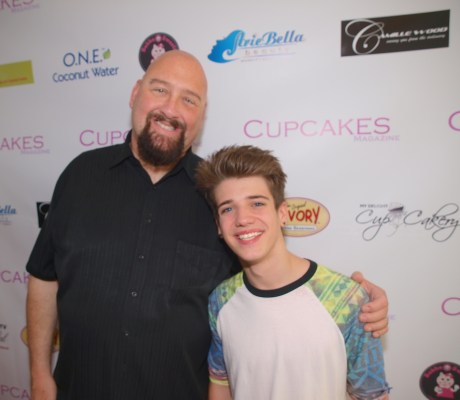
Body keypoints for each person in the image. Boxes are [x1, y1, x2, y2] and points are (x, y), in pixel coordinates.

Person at [25, 50, 388, 400]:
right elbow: (44, 276)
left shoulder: (217, 196)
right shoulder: (80, 175)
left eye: (189, 100)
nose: (171, 109)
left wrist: (354, 307)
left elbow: (267, 283)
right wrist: (39, 373)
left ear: (201, 117)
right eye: (160, 89)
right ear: (135, 93)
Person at [195, 144, 391, 400]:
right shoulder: (220, 300)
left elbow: (371, 395)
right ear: (219, 226)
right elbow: (221, 384)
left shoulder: (345, 298)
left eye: (257, 203)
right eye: (228, 209)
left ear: (282, 213)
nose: (242, 219)